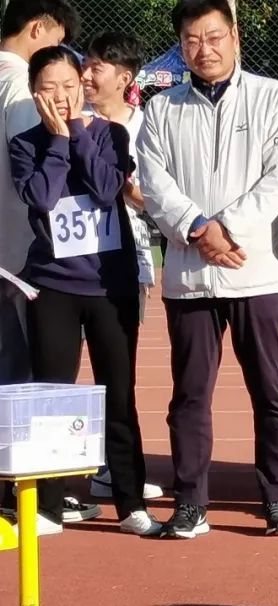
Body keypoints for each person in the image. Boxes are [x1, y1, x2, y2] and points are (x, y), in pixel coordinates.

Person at [138, 0, 278, 538]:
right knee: (189, 396)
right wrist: (195, 227)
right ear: (180, 45)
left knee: (270, 391)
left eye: (213, 37)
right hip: (189, 278)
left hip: (256, 271)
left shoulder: (274, 97)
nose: (203, 49)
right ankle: (190, 503)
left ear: (235, 37)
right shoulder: (162, 108)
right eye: (192, 39)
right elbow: (154, 181)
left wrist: (226, 228)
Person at [9, 46, 159, 536]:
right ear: (34, 93)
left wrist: (76, 130)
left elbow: (104, 188)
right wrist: (56, 140)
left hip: (109, 287)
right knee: (52, 394)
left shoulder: (111, 134)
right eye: (48, 88)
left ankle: (131, 503)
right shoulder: (25, 144)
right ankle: (48, 506)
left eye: (69, 86)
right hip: (53, 287)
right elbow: (42, 197)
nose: (60, 96)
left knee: (119, 393)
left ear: (82, 85)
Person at [0, 0, 94, 536]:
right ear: (39, 28)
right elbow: (39, 181)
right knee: (24, 381)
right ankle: (25, 493)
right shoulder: (21, 90)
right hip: (21, 258)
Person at [81, 30, 166, 504]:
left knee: (118, 372)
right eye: (86, 64)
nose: (86, 74)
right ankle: (68, 471)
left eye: (97, 66)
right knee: (60, 370)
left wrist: (124, 188)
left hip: (128, 260)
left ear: (125, 77)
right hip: (70, 264)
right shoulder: (72, 119)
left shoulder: (148, 127)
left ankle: (114, 470)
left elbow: (155, 198)